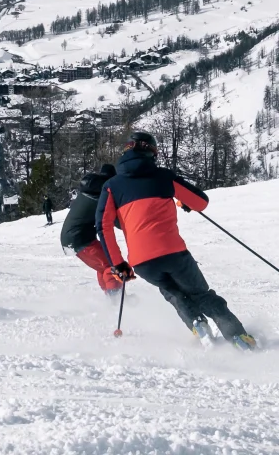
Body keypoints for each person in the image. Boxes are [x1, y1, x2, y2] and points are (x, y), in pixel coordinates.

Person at [96, 131, 256, 350]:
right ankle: (238, 338)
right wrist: (184, 201)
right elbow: (201, 202)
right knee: (200, 294)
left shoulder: (111, 186)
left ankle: (198, 325)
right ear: (151, 152)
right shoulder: (163, 176)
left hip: (142, 263)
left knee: (173, 294)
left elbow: (103, 226)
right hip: (173, 253)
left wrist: (118, 263)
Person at [61, 164, 122, 294]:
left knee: (103, 265)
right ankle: (115, 298)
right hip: (80, 239)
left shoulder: (90, 191)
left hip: (74, 237)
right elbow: (116, 220)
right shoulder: (102, 195)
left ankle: (109, 294)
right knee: (111, 264)